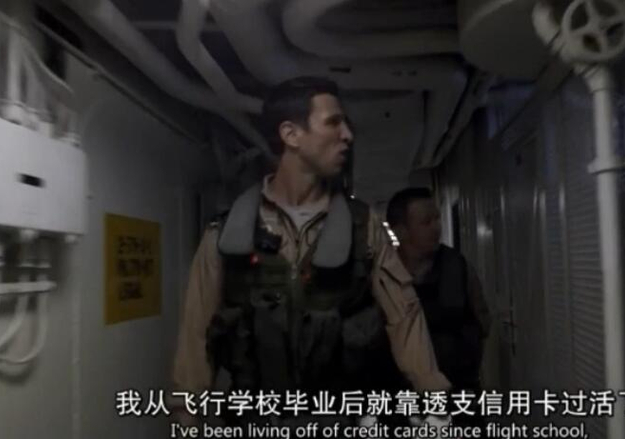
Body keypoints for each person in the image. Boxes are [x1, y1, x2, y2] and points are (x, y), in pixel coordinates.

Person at [171, 77, 451, 428]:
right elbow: (196, 334)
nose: (347, 135)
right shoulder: (225, 235)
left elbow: (404, 319)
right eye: (334, 123)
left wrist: (435, 401)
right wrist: (187, 417)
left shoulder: (364, 228)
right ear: (291, 135)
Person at [386, 187, 491, 424]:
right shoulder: (384, 276)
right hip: (403, 401)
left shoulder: (457, 266)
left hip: (458, 394)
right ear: (400, 230)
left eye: (436, 219)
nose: (436, 227)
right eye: (426, 222)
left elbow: (482, 321)